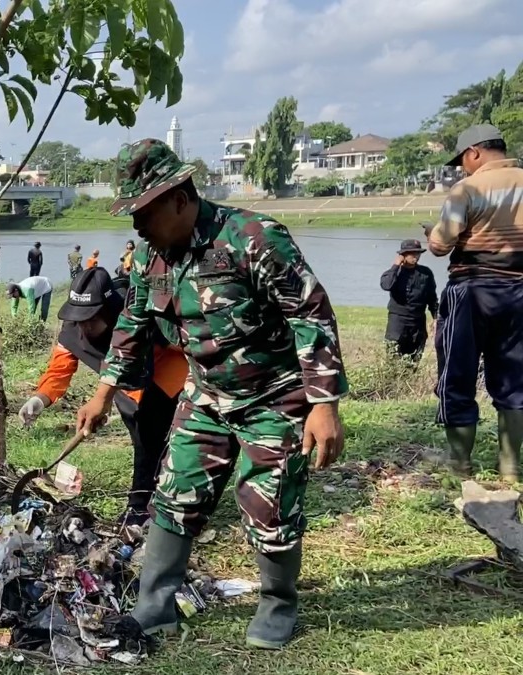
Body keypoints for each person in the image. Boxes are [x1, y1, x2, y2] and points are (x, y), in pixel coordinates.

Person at [77, 139, 347, 649]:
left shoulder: (253, 238)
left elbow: (310, 313)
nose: (136, 225)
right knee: (175, 493)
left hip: (274, 395)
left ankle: (277, 604)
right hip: (204, 395)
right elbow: (132, 324)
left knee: (269, 505)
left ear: (179, 198)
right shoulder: (150, 259)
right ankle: (154, 608)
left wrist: (324, 404)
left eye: (143, 211)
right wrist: (102, 392)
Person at [18, 267, 188, 526]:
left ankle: (145, 506)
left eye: (91, 318)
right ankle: (150, 500)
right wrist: (40, 398)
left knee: (154, 438)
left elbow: (185, 344)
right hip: (116, 386)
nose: (84, 325)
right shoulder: (74, 327)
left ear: (108, 311)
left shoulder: (137, 314)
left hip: (165, 375)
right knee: (143, 441)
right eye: (79, 317)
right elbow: (60, 367)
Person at [426, 123, 523, 483]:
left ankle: (460, 464)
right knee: (515, 378)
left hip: (472, 290)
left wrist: (431, 236)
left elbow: (441, 244)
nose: (463, 167)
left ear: (475, 153)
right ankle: (510, 468)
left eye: (463, 160)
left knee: (457, 373)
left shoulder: (467, 188)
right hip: (519, 292)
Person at [379, 239, 437, 363]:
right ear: (403, 255)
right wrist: (395, 266)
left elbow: (432, 298)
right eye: (412, 253)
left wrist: (436, 318)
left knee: (414, 361)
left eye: (418, 253)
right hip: (398, 323)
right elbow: (386, 285)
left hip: (418, 323)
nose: (416, 256)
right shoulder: (394, 273)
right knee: (393, 361)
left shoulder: (425, 273)